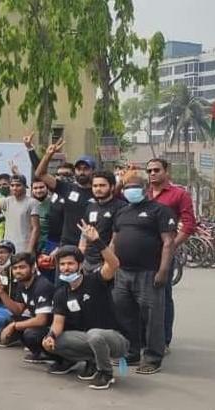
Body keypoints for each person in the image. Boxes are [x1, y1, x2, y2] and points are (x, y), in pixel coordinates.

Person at [42, 225, 126, 390]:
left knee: (95, 334)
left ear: (80, 265)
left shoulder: (96, 280)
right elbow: (57, 323)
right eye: (62, 264)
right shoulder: (61, 293)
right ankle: (91, 361)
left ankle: (106, 373)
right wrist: (50, 336)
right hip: (88, 338)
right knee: (55, 340)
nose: (66, 268)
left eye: (70, 264)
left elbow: (114, 264)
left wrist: (97, 241)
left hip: (114, 339)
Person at [111, 171, 176, 374]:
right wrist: (110, 267)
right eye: (127, 187)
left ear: (145, 188)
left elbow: (168, 242)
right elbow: (114, 240)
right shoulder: (121, 212)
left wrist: (163, 270)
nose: (130, 190)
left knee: (152, 317)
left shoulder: (160, 210)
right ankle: (131, 352)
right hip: (122, 273)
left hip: (149, 273)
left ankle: (153, 358)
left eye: (135, 187)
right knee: (125, 315)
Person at [145, 158, 195, 352]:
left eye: (156, 170)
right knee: (141, 297)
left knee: (163, 297)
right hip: (142, 254)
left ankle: (164, 340)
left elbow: (189, 225)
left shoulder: (179, 194)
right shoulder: (143, 194)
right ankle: (144, 338)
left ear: (167, 171)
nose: (152, 173)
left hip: (164, 255)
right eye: (149, 171)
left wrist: (172, 245)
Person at [0, 253, 55, 361]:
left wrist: (14, 326)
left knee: (30, 333)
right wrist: (1, 293)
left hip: (53, 327)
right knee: (10, 320)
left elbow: (42, 320)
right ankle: (35, 350)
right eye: (15, 268)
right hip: (40, 322)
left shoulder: (42, 286)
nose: (18, 271)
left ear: (33, 268)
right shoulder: (22, 283)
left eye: (22, 267)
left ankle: (48, 355)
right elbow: (18, 310)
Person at [35, 139, 94, 247]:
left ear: (93, 171)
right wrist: (48, 155)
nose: (82, 172)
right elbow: (40, 174)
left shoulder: (99, 191)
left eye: (86, 169)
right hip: (67, 244)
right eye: (79, 169)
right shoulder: (66, 187)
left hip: (91, 245)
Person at [0, 172, 39, 254]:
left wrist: (29, 250)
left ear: (25, 186)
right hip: (8, 247)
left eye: (18, 185)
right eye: (12, 185)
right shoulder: (7, 201)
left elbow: (35, 228)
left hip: (24, 247)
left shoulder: (32, 202)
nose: (15, 188)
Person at [80, 170, 126, 272]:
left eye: (102, 185)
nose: (98, 189)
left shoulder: (121, 207)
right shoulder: (90, 206)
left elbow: (115, 238)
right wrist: (80, 257)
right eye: (95, 186)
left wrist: (107, 263)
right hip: (88, 260)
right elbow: (84, 233)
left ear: (112, 187)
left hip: (107, 262)